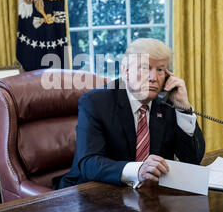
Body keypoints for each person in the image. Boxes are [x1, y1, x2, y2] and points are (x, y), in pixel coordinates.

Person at [54, 38, 205, 190]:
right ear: (126, 71)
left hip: (148, 195)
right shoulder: (95, 102)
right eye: (145, 68)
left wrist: (183, 108)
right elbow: (89, 164)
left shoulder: (167, 104)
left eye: (160, 70)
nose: (153, 78)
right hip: (90, 191)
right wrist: (137, 170)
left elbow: (193, 160)